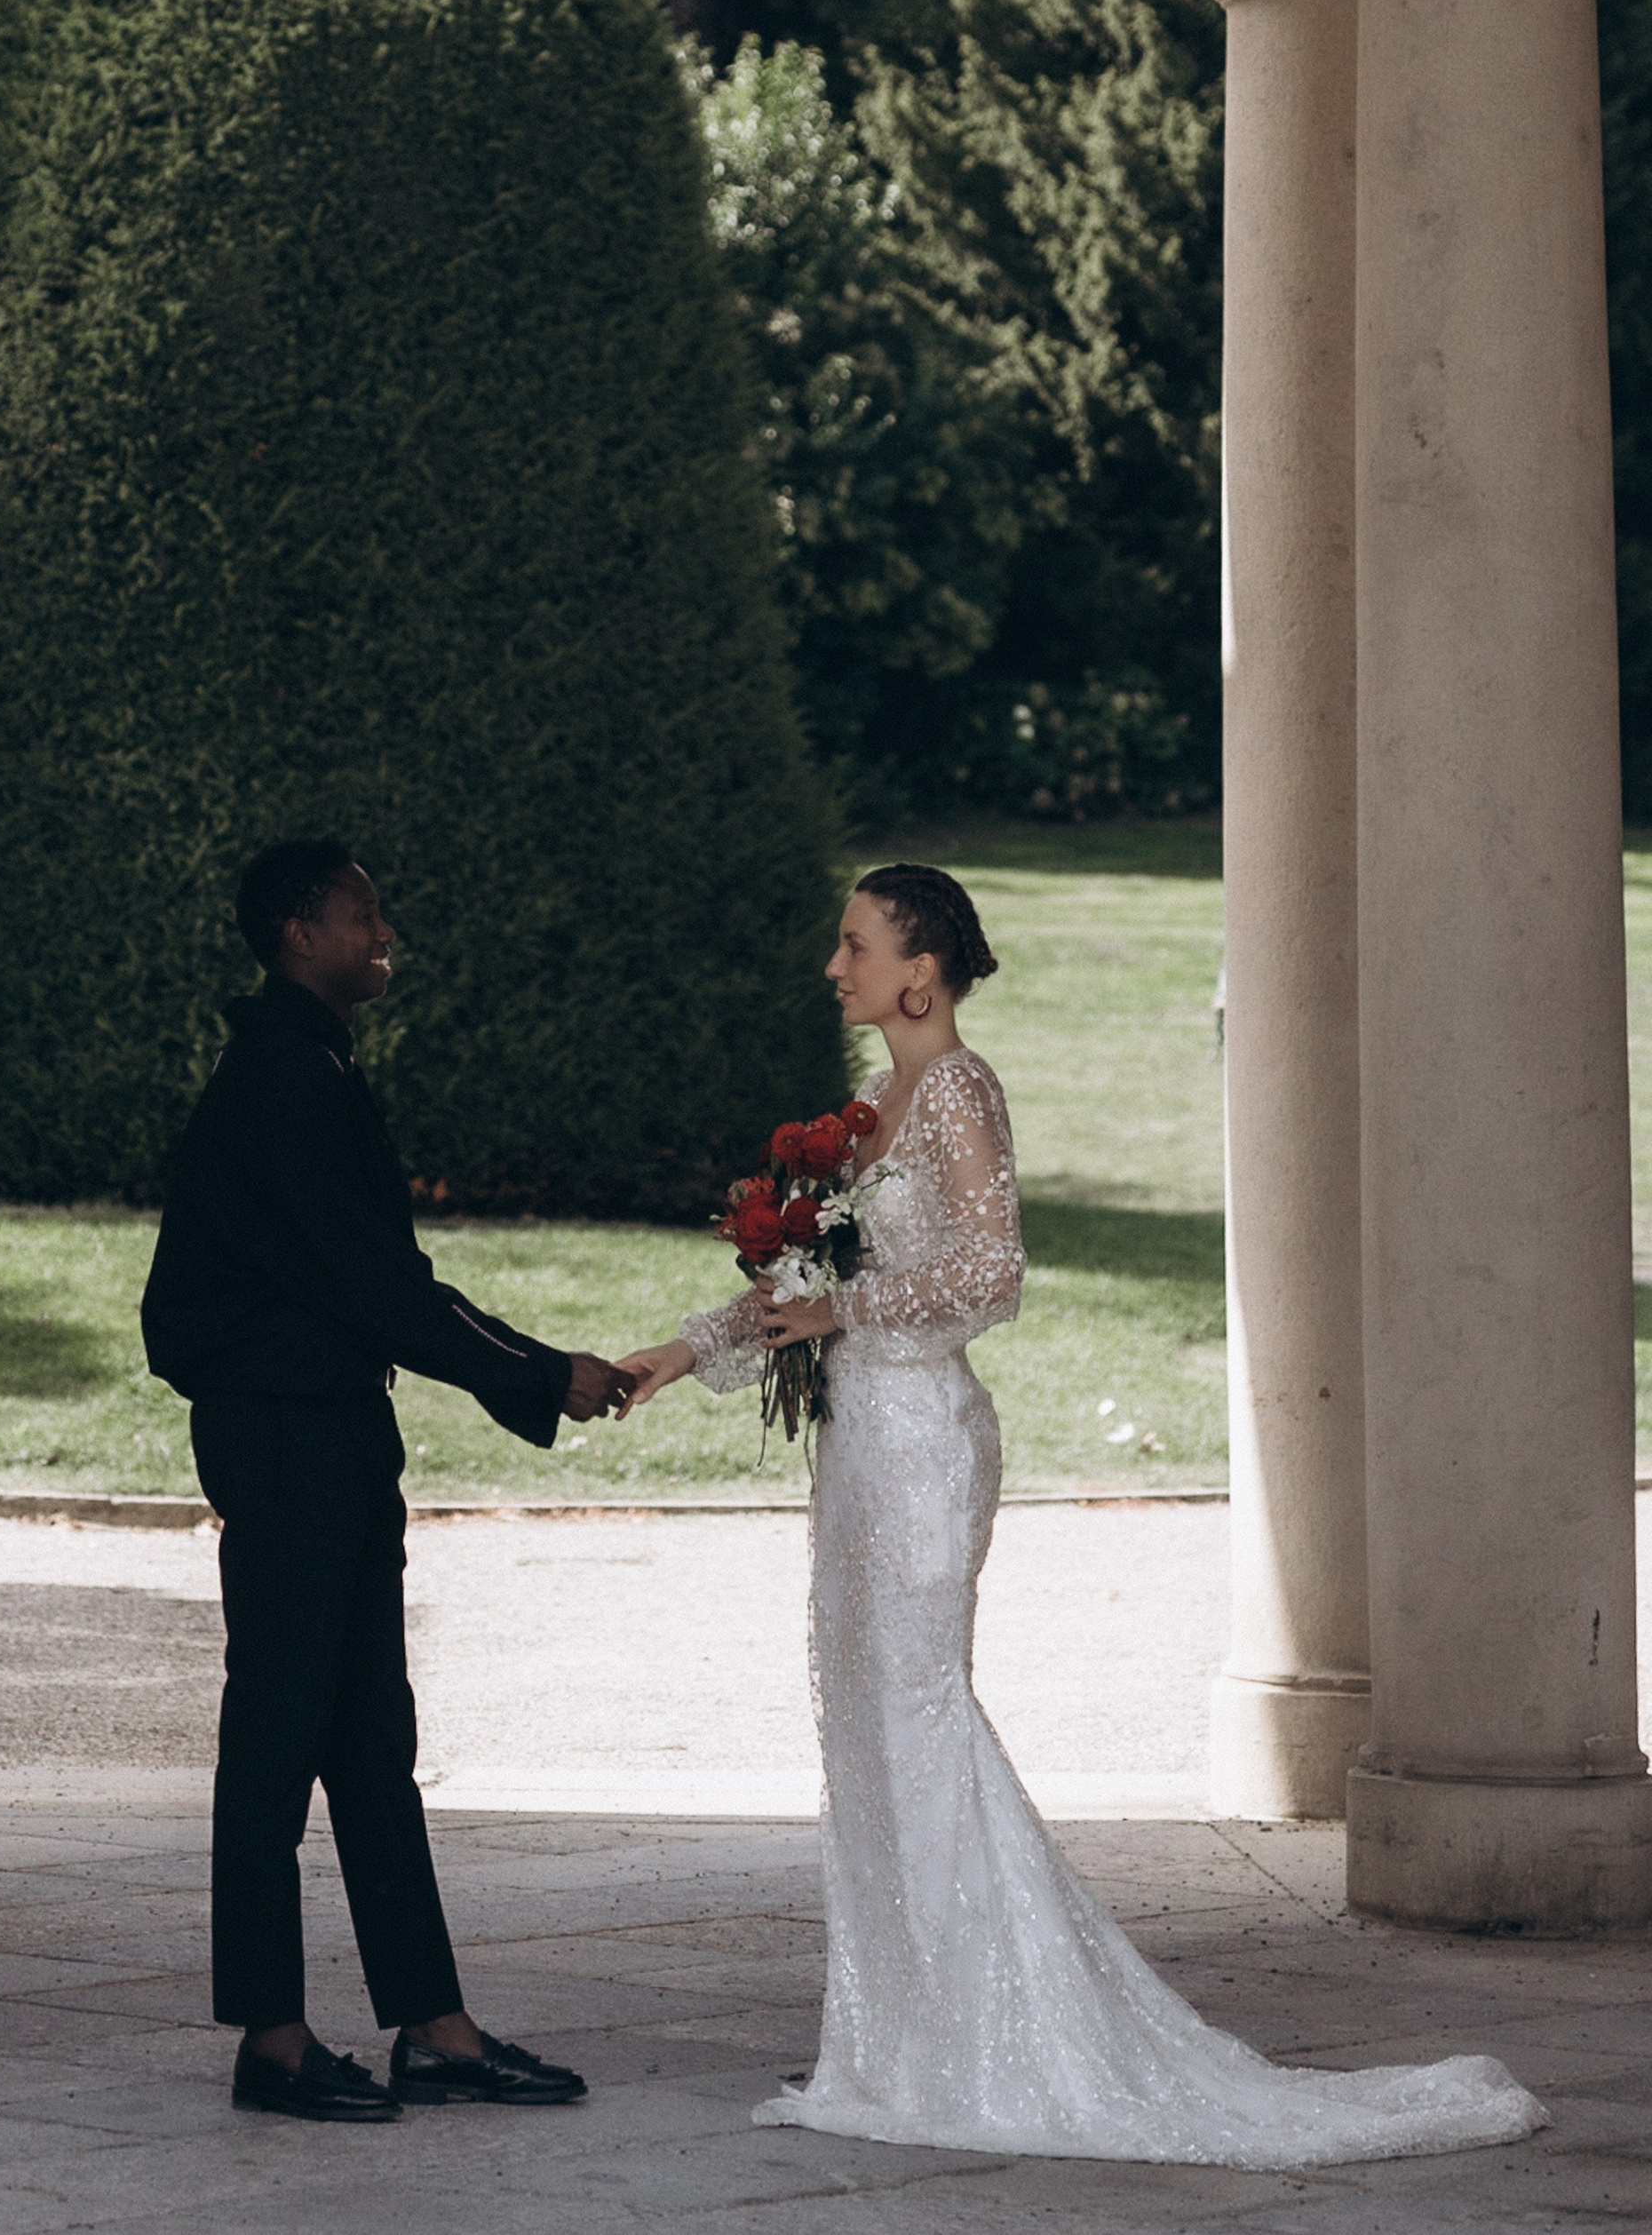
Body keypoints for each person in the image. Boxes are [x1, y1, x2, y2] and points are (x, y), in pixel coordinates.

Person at [614, 860, 1548, 2168]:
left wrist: (843, 1311)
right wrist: (674, 1353)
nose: (836, 969)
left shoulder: (958, 1090)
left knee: (921, 1708)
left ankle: (1009, 2038)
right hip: (858, 1449)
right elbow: (802, 1274)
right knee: (871, 1721)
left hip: (925, 1440)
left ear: (920, 973)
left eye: (855, 945)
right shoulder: (876, 1106)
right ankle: (906, 2039)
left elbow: (994, 1273)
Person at [143, 837, 631, 2125]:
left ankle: (434, 2026)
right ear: (300, 932)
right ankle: (275, 2038)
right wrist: (539, 1373)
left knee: (370, 1743)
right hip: (287, 1444)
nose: (384, 930)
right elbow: (385, 1291)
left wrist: (524, 1369)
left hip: (333, 1437)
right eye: (362, 912)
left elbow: (369, 1291)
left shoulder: (306, 1066)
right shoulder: (281, 1083)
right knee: (276, 1742)